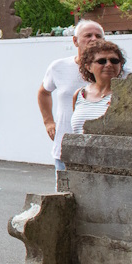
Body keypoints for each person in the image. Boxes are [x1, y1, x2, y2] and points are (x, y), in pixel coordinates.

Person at [38, 20, 105, 172]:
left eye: (98, 36)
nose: (94, 39)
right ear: (75, 41)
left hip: (101, 148)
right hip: (65, 147)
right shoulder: (59, 67)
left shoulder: (113, 68)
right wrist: (48, 122)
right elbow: (43, 92)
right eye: (88, 35)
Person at [70, 40, 126, 134]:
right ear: (88, 67)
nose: (108, 65)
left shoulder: (126, 95)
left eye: (114, 61)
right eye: (102, 61)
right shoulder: (79, 94)